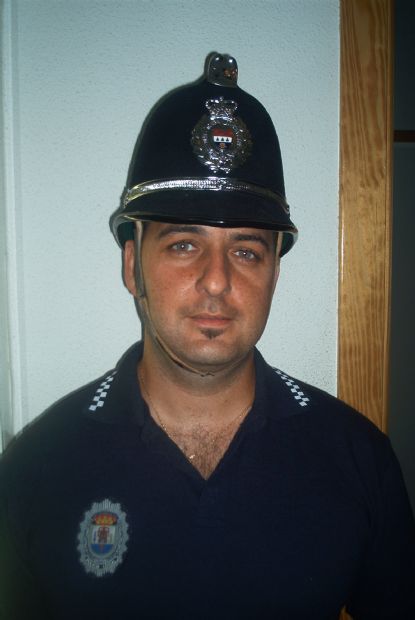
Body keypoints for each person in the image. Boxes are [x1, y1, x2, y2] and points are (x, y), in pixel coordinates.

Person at [1, 52, 414, 620]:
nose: (217, 280)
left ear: (274, 274)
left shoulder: (358, 457)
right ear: (133, 266)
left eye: (246, 251)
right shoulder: (36, 466)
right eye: (184, 244)